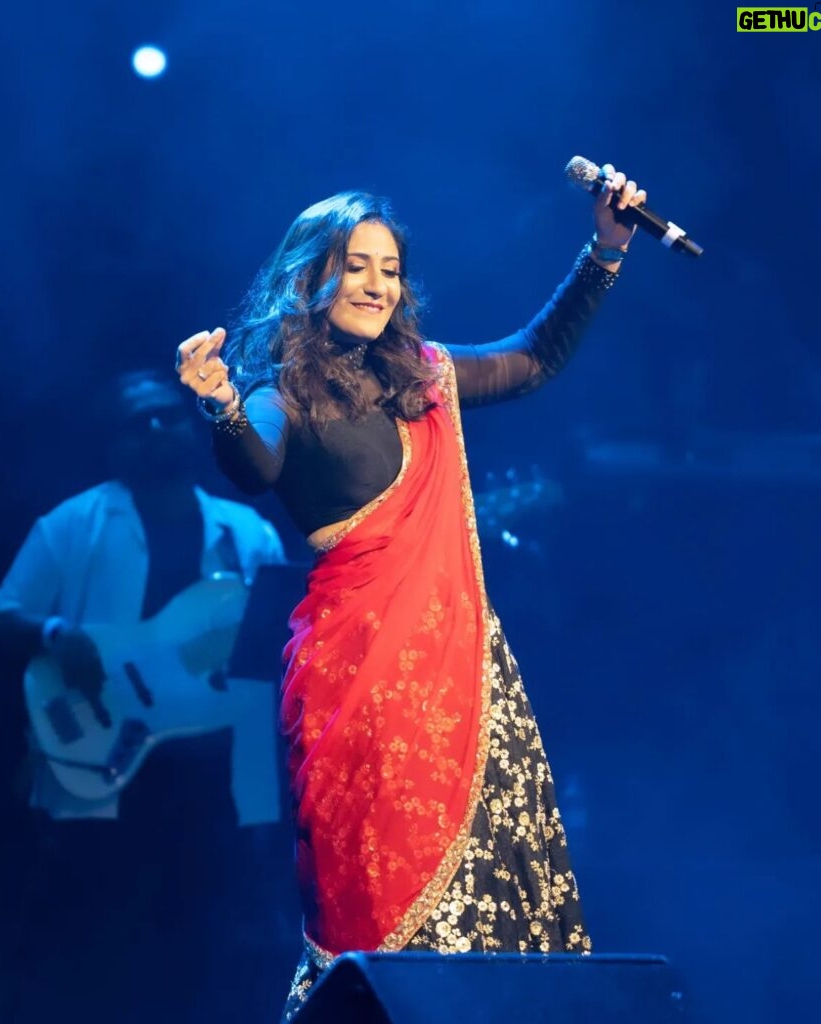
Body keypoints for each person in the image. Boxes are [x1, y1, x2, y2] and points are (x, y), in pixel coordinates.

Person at [175, 166, 648, 1019]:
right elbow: (255, 466)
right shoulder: (280, 393)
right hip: (354, 686)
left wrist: (606, 246)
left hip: (458, 683)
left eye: (390, 269)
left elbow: (534, 357)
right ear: (312, 274)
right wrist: (220, 406)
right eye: (356, 264)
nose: (376, 284)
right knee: (377, 914)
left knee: (485, 931)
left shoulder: (426, 378)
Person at [0, 368, 288, 1023]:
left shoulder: (247, 537)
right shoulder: (72, 525)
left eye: (167, 416)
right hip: (96, 769)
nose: (156, 430)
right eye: (137, 423)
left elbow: (264, 671)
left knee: (202, 966)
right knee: (91, 960)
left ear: (192, 426)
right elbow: (3, 615)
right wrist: (57, 632)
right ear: (113, 445)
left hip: (210, 791)